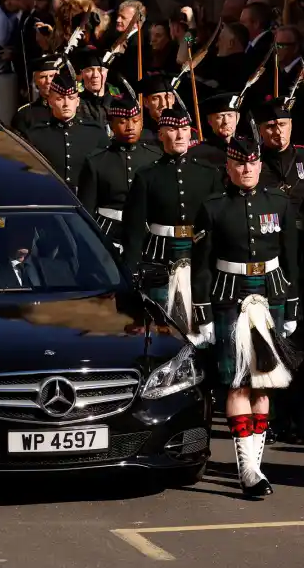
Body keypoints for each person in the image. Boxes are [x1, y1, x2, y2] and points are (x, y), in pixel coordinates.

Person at [190, 136, 297, 497]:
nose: (247, 169)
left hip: (270, 294)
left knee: (263, 383)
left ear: (259, 165)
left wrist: (293, 304)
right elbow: (201, 265)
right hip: (228, 297)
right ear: (229, 167)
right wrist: (202, 312)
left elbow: (291, 256)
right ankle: (247, 469)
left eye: (253, 163)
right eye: (240, 163)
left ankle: (256, 465)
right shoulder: (213, 207)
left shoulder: (279, 203)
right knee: (237, 382)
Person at [123, 107, 224, 332]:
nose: (179, 136)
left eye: (184, 130)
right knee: (162, 324)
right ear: (160, 135)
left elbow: (218, 223)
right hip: (158, 257)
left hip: (199, 254)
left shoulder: (208, 173)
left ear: (191, 134)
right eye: (172, 130)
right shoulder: (146, 175)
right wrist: (131, 270)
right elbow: (134, 227)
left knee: (203, 326)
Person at [78, 95, 162, 250]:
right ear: (111, 125)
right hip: (107, 232)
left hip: (148, 235)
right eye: (123, 122)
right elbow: (87, 210)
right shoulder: (96, 161)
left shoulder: (155, 157)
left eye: (135, 121)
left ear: (141, 122)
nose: (130, 127)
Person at [24, 68, 110, 192]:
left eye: (70, 98)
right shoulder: (35, 135)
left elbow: (105, 172)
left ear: (77, 101)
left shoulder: (96, 133)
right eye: (59, 99)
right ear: (50, 102)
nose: (66, 104)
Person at [10, 54, 58, 136]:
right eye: (43, 77)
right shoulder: (25, 114)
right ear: (35, 81)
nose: (48, 81)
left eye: (52, 76)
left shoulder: (75, 107)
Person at [189, 92, 240, 168]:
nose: (226, 121)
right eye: (220, 117)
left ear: (237, 118)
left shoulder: (247, 148)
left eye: (230, 115)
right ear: (209, 121)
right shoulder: (200, 152)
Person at [73, 47, 117, 127]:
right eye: (90, 70)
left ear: (107, 72)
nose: (95, 75)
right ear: (82, 73)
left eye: (100, 70)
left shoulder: (117, 98)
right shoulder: (75, 100)